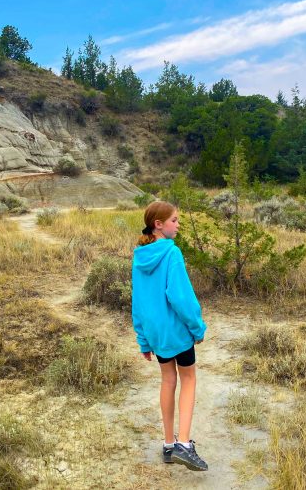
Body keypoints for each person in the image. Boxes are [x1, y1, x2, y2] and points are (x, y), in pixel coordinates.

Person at [131, 200, 208, 471]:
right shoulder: (171, 253)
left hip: (157, 334)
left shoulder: (139, 256)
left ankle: (168, 445)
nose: (178, 225)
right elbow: (180, 297)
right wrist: (197, 328)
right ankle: (184, 444)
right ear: (158, 224)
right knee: (188, 379)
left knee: (167, 380)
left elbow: (137, 300)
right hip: (176, 331)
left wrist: (143, 338)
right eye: (175, 220)